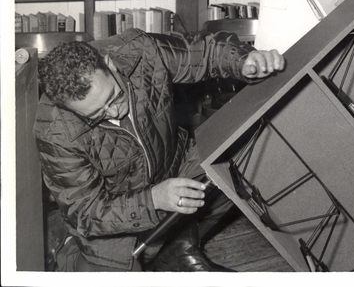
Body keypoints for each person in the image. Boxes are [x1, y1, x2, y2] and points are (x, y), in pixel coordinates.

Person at [34, 28, 284, 272]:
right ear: (67, 108)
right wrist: (153, 199)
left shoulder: (139, 50)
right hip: (114, 221)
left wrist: (244, 60)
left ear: (109, 64)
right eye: (97, 114)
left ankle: (177, 243)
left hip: (173, 165)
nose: (115, 112)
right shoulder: (54, 132)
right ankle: (68, 252)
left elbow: (204, 51)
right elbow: (86, 212)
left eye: (114, 97)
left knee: (237, 162)